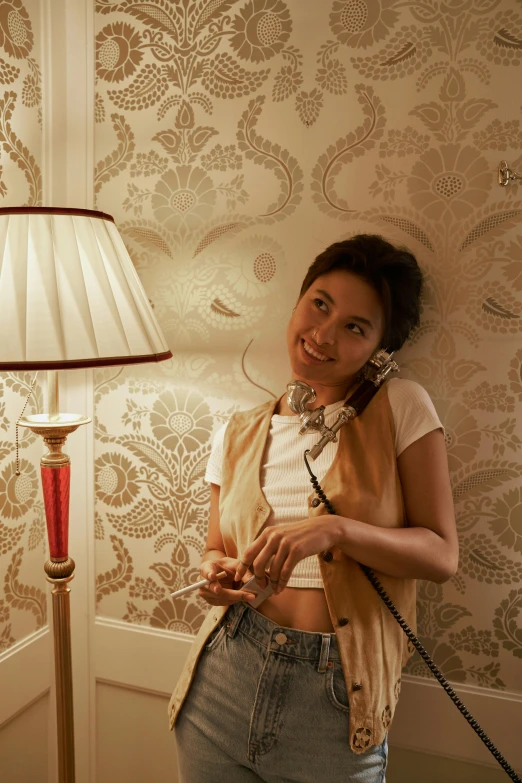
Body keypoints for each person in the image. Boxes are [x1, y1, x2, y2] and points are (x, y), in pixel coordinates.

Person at [169, 234, 458, 783]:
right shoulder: (237, 430)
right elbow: (215, 549)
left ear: (379, 351)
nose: (322, 335)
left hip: (335, 697)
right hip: (221, 681)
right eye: (319, 305)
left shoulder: (402, 405)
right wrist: (214, 574)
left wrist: (334, 530)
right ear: (299, 300)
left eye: (354, 326)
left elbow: (442, 555)